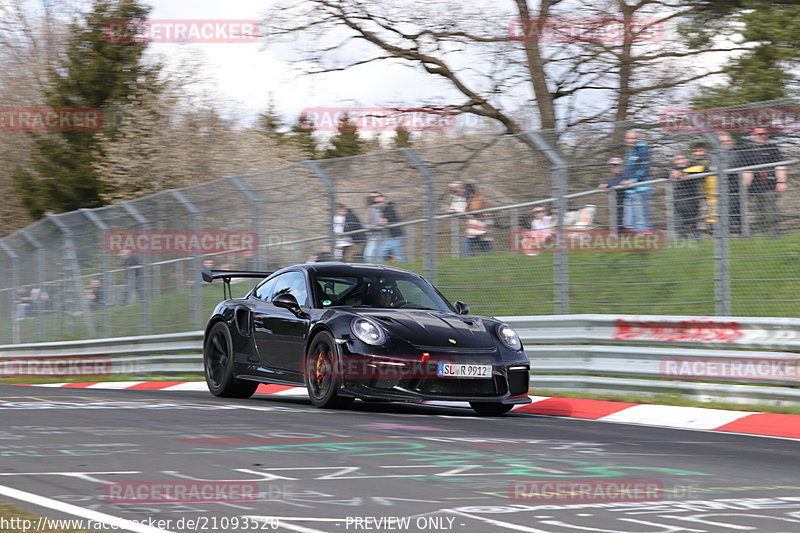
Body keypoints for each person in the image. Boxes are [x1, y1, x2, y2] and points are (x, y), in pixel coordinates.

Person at [741, 127, 788, 235]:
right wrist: (744, 186)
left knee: (770, 207)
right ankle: (761, 233)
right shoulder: (748, 150)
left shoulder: (772, 148)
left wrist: (781, 182)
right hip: (754, 184)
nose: (760, 136)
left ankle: (772, 234)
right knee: (758, 209)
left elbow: (780, 165)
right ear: (753, 135)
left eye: (763, 134)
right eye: (758, 134)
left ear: (766, 135)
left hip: (769, 183)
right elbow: (746, 169)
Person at [620, 130, 652, 233]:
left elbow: (644, 167)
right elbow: (628, 170)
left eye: (634, 138)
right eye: (630, 138)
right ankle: (641, 239)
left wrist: (632, 181)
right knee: (628, 222)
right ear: (626, 140)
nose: (632, 141)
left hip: (641, 188)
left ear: (637, 139)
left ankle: (647, 240)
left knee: (641, 221)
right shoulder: (629, 152)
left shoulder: (643, 150)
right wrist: (623, 180)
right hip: (630, 190)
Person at [668, 152, 703, 239]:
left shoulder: (693, 167)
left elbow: (701, 168)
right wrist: (673, 172)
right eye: (677, 159)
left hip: (692, 198)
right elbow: (665, 173)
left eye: (682, 158)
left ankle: (695, 238)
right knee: (680, 223)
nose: (680, 161)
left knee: (693, 221)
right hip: (679, 198)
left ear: (687, 159)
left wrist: (683, 172)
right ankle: (681, 240)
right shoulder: (672, 169)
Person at [715, 131, 743, 234]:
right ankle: (730, 233)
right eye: (722, 142)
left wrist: (716, 168)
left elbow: (731, 165)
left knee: (732, 211)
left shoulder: (735, 151)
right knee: (727, 211)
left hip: (734, 187)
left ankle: (738, 233)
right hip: (722, 188)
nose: (725, 143)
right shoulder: (718, 154)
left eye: (727, 141)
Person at [463, 183, 493, 255]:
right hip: (475, 225)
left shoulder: (478, 197)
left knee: (484, 242)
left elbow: (475, 209)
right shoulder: (470, 199)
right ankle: (469, 258)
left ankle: (489, 256)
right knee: (468, 240)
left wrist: (467, 209)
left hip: (482, 224)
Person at [598, 157, 626, 231]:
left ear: (622, 166)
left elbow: (620, 182)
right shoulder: (617, 176)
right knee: (618, 219)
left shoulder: (624, 174)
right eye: (613, 167)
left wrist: (607, 184)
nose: (615, 168)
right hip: (619, 201)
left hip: (625, 200)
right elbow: (615, 182)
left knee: (622, 220)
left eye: (617, 166)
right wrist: (607, 187)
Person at [376, 194, 405, 262]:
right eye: (377, 202)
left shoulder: (389, 209)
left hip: (396, 237)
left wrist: (385, 222)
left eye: (381, 202)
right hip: (389, 237)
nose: (379, 204)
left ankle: (403, 270)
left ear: (386, 201)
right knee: (381, 254)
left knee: (399, 257)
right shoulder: (383, 210)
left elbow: (388, 220)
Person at [362, 193, 385, 263]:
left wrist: (366, 227)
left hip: (375, 236)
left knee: (368, 256)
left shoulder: (373, 209)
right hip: (372, 235)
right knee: (370, 255)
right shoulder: (372, 209)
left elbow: (377, 223)